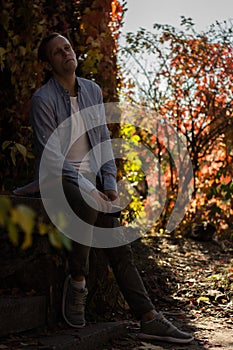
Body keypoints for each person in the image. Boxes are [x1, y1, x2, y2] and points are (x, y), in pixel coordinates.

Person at [15, 32, 193, 344]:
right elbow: (50, 157)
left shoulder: (93, 91)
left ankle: (148, 316)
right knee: (88, 202)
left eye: (68, 47)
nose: (66, 53)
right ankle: (79, 280)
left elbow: (103, 144)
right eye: (57, 52)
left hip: (92, 185)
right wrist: (87, 186)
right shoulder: (42, 99)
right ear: (48, 63)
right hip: (58, 181)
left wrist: (108, 184)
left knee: (117, 241)